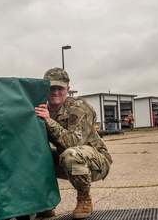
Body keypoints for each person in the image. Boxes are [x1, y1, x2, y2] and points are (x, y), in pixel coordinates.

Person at [35, 67, 113, 219]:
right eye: (51, 88)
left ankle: (85, 200)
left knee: (71, 155)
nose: (55, 92)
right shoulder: (42, 108)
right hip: (65, 157)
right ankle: (46, 203)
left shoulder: (79, 107)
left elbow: (74, 143)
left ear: (68, 89)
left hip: (95, 161)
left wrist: (49, 121)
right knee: (35, 156)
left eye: (60, 88)